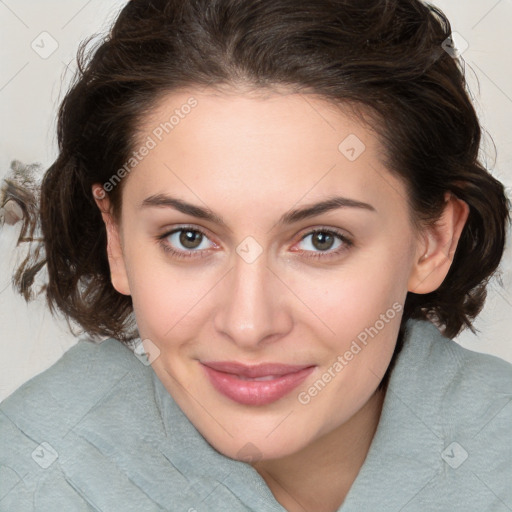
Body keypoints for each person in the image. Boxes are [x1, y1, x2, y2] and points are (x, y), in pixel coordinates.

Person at [0, 0, 511, 510]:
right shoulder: (29, 476)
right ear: (116, 240)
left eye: (321, 240)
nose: (248, 325)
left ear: (432, 241)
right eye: (188, 238)